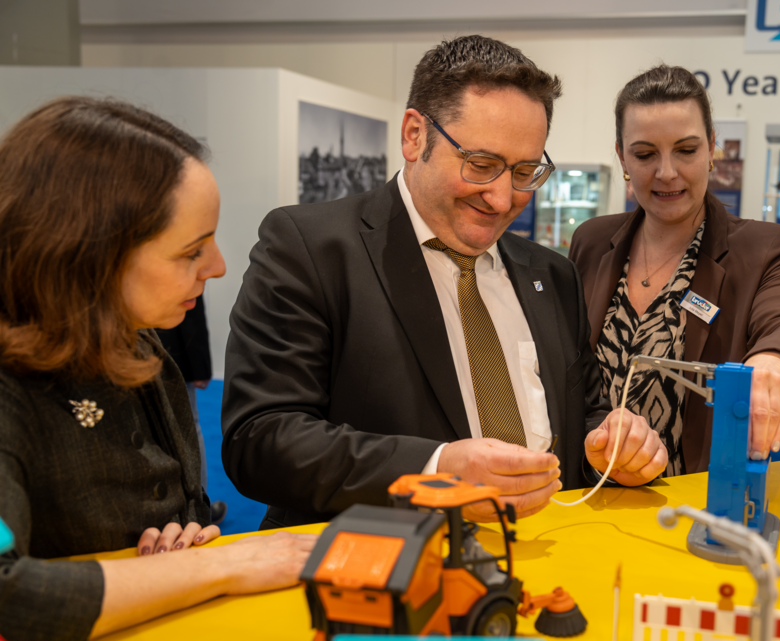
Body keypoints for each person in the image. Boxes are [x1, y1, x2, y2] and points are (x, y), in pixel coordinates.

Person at [222, 36, 667, 529]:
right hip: (381, 574)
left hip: (547, 559)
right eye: (481, 165)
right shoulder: (311, 249)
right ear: (414, 136)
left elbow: (583, 413)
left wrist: (612, 445)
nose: (502, 198)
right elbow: (260, 440)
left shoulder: (552, 274)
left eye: (525, 171)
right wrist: (435, 471)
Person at [0, 97, 314, 641]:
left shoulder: (136, 340)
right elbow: (9, 597)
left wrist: (168, 563)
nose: (217, 266)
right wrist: (214, 570)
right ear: (88, 255)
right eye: (190, 251)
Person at [569, 65, 780, 476]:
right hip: (588, 492)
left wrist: (776, 360)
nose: (666, 172)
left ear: (711, 149)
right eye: (645, 154)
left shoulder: (762, 249)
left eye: (686, 150)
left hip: (692, 503)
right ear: (622, 156)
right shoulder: (592, 240)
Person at [156, 294, 228, 524]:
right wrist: (200, 366)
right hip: (169, 354)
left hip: (140, 353)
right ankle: (196, 512)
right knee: (188, 427)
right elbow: (190, 309)